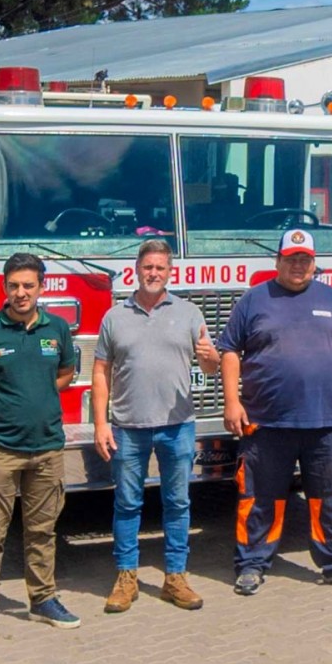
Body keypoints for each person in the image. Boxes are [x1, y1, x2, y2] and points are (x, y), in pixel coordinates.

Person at [218, 228, 332, 595]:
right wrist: (232, 402)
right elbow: (229, 351)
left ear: (313, 263)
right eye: (291, 259)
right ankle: (252, 564)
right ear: (278, 261)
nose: (298, 266)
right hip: (266, 422)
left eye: (304, 259)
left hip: (328, 421)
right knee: (259, 497)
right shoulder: (254, 300)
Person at [0, 252, 80, 647]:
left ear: (41, 287)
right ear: (4, 288)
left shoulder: (57, 330)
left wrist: (39, 397)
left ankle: (43, 598)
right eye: (14, 285)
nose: (21, 292)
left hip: (46, 448)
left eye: (29, 285)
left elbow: (65, 373)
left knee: (43, 530)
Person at [92, 240, 220, 613]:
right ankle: (126, 577)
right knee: (127, 503)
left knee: (177, 502)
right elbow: (101, 372)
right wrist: (100, 423)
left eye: (160, 268)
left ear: (170, 273)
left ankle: (175, 577)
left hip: (177, 427)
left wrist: (212, 360)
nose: (153, 273)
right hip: (128, 427)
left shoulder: (189, 312)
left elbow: (209, 366)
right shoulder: (115, 317)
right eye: (148, 267)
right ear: (136, 269)